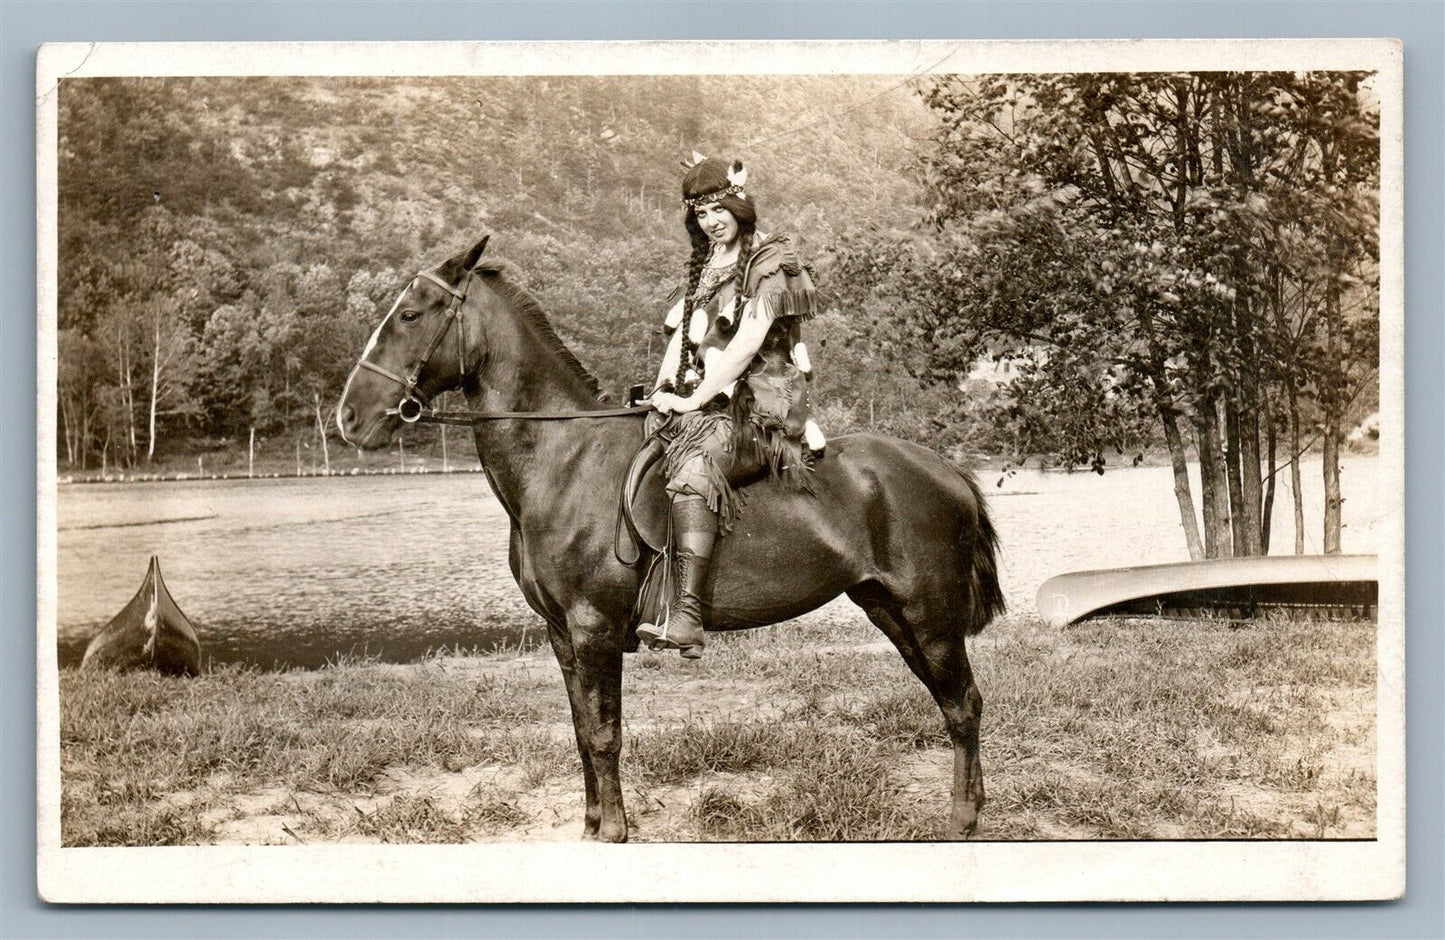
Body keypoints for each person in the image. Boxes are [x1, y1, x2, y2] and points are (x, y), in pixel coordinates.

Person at [635, 154, 826, 659]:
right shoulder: (702, 270)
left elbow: (744, 345)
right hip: (700, 405)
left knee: (696, 470)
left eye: (719, 209)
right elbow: (678, 349)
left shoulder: (771, 263)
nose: (712, 222)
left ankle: (689, 616)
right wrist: (661, 393)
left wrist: (695, 398)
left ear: (740, 206)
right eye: (701, 215)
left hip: (757, 409)